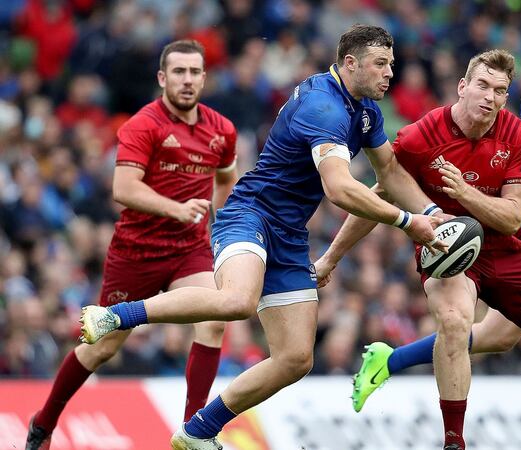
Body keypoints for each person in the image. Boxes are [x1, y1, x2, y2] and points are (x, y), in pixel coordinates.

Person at [77, 25, 445, 450]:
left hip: (288, 234)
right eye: (380, 64)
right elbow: (340, 189)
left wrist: (433, 213)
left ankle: (198, 431)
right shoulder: (325, 108)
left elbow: (392, 173)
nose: (389, 74)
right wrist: (406, 221)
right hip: (249, 214)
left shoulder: (364, 111)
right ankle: (115, 317)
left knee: (295, 359)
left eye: (392, 65)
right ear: (350, 63)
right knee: (236, 301)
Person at [314, 49, 521, 450]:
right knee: (454, 324)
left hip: (507, 249)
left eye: (500, 90)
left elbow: (512, 218)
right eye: (483, 86)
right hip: (446, 249)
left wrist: (464, 193)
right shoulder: (421, 136)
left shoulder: (519, 135)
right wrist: (332, 256)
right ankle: (455, 442)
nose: (490, 97)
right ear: (462, 87)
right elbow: (381, 194)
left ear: (506, 98)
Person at [25, 40, 238, 450]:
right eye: (179, 72)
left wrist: (219, 215)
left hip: (188, 251)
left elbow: (227, 178)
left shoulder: (221, 129)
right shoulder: (144, 125)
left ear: (204, 78)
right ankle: (44, 420)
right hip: (136, 252)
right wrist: (177, 209)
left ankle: (193, 431)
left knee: (215, 316)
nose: (188, 80)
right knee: (101, 348)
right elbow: (123, 188)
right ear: (162, 78)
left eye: (195, 72)